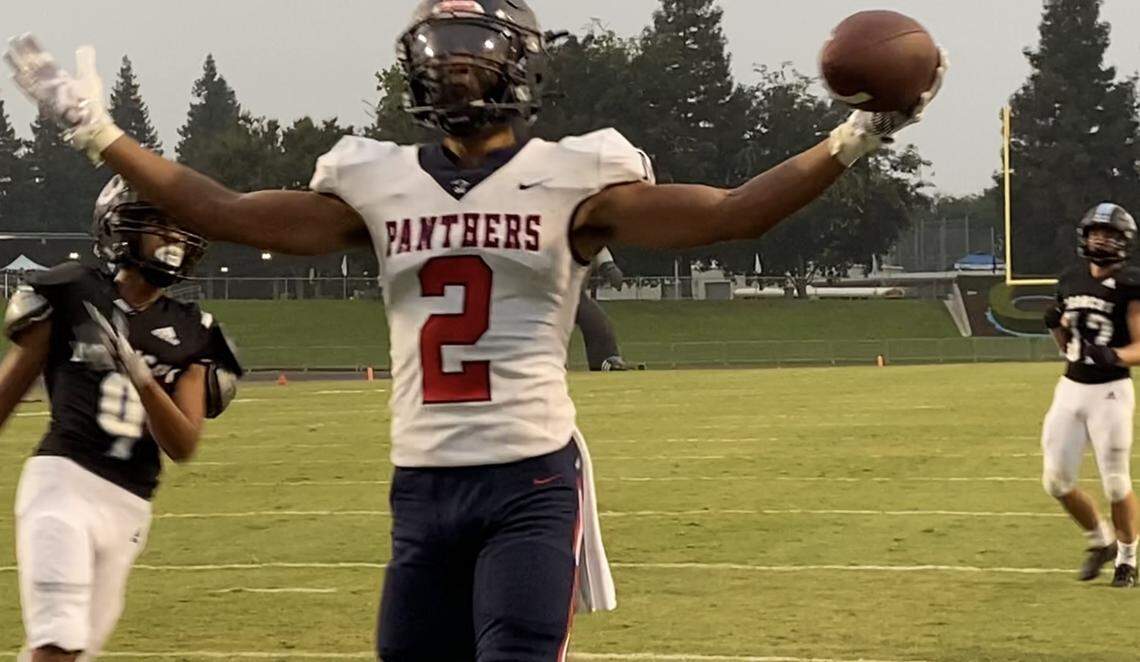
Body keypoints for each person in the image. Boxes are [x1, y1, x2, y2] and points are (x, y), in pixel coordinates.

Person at [4, 2, 946, 657]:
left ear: (519, 67)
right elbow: (228, 208)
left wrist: (852, 138)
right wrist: (99, 133)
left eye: (474, 52)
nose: (453, 67)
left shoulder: (578, 177)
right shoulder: (373, 180)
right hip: (421, 482)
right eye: (439, 53)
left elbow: (734, 213)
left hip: (529, 476)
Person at [0, 176, 243, 662]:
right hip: (62, 485)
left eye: (182, 227)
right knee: (58, 644)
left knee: (72, 651)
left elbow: (183, 445)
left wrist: (144, 379)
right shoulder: (72, 290)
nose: (175, 238)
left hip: (130, 506)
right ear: (122, 226)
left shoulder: (194, 330)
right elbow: (9, 389)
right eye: (161, 224)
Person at [1042, 203, 1140, 588]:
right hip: (1071, 388)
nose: (1101, 239)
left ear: (1123, 241)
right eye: (1096, 232)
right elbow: (1065, 346)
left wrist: (1113, 355)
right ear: (1084, 237)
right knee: (1056, 481)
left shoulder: (1131, 284)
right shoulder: (1070, 280)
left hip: (1110, 392)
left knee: (1116, 482)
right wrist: (1054, 327)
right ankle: (1100, 540)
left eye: (1109, 234)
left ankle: (1128, 559)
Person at [577, 248, 629, 371]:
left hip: (570, 293)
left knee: (596, 322)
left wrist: (607, 264)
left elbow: (594, 244)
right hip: (541, 295)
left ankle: (605, 360)